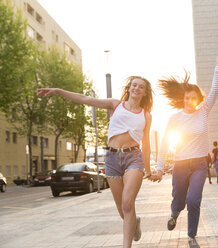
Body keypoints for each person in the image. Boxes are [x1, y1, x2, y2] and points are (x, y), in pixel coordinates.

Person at [37, 76, 154, 248]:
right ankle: (134, 223)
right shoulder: (116, 105)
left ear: (145, 93)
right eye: (134, 85)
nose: (137, 88)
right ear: (129, 88)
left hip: (133, 158)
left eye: (141, 87)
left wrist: (148, 170)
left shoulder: (146, 116)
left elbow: (147, 145)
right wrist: (58, 91)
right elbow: (85, 99)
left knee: (128, 203)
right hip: (112, 159)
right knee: (123, 210)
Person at [152, 51, 218, 248]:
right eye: (187, 98)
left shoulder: (203, 111)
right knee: (179, 198)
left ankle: (192, 236)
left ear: (198, 99)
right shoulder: (175, 118)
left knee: (194, 199)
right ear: (183, 99)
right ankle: (174, 214)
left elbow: (215, 90)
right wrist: (160, 168)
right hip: (181, 164)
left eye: (194, 98)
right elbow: (165, 143)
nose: (190, 101)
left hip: (200, 164)